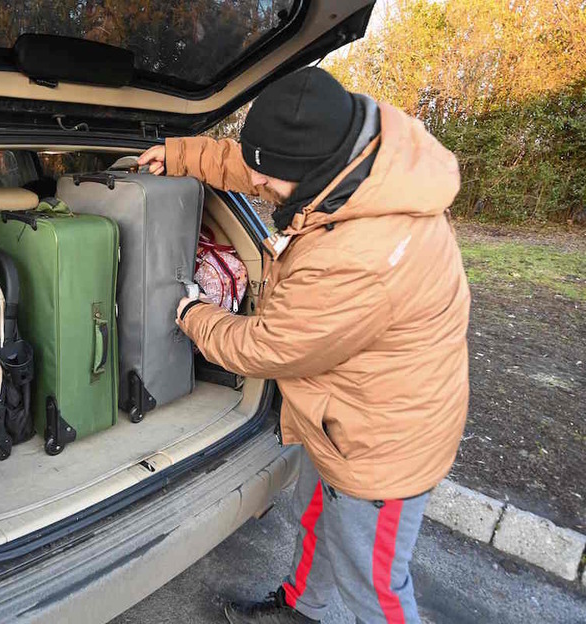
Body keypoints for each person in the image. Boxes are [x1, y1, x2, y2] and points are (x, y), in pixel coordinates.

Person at [138, 67, 469, 624]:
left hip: (382, 446)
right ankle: (301, 608)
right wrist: (176, 155)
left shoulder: (363, 257)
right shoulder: (348, 156)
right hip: (341, 415)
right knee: (315, 513)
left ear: (314, 172)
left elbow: (267, 348)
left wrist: (193, 314)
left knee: (376, 585)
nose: (259, 187)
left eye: (271, 181)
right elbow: (255, 166)